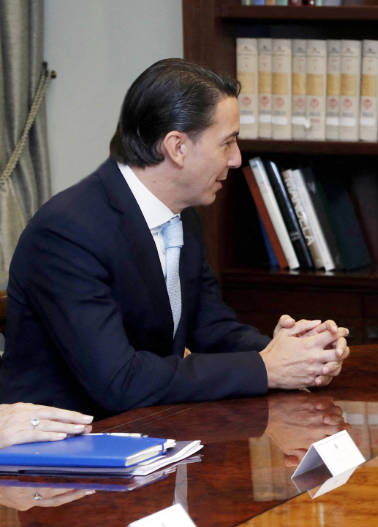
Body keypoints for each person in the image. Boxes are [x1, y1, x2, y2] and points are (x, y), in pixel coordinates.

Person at [0, 59, 350, 417]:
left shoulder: (182, 214)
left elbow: (210, 328)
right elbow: (119, 381)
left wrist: (296, 353)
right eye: (227, 142)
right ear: (177, 147)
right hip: (60, 452)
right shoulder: (67, 232)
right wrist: (267, 367)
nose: (236, 159)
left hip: (151, 432)